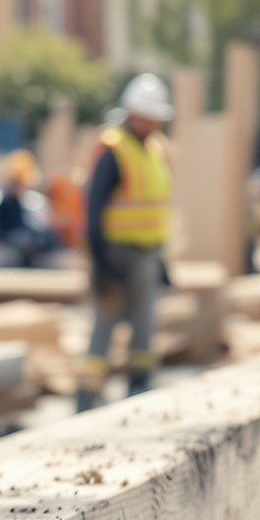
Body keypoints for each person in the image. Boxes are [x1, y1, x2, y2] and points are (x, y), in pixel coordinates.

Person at [77, 75, 175, 411]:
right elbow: (93, 211)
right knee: (104, 327)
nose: (154, 122)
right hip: (116, 254)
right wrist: (101, 265)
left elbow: (157, 208)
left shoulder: (156, 149)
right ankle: (86, 399)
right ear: (134, 114)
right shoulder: (113, 150)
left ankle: (140, 391)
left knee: (145, 328)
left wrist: (163, 262)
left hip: (147, 253)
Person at [0, 150, 52, 267]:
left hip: (16, 233)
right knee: (25, 241)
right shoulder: (7, 201)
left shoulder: (17, 200)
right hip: (10, 235)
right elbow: (1, 223)